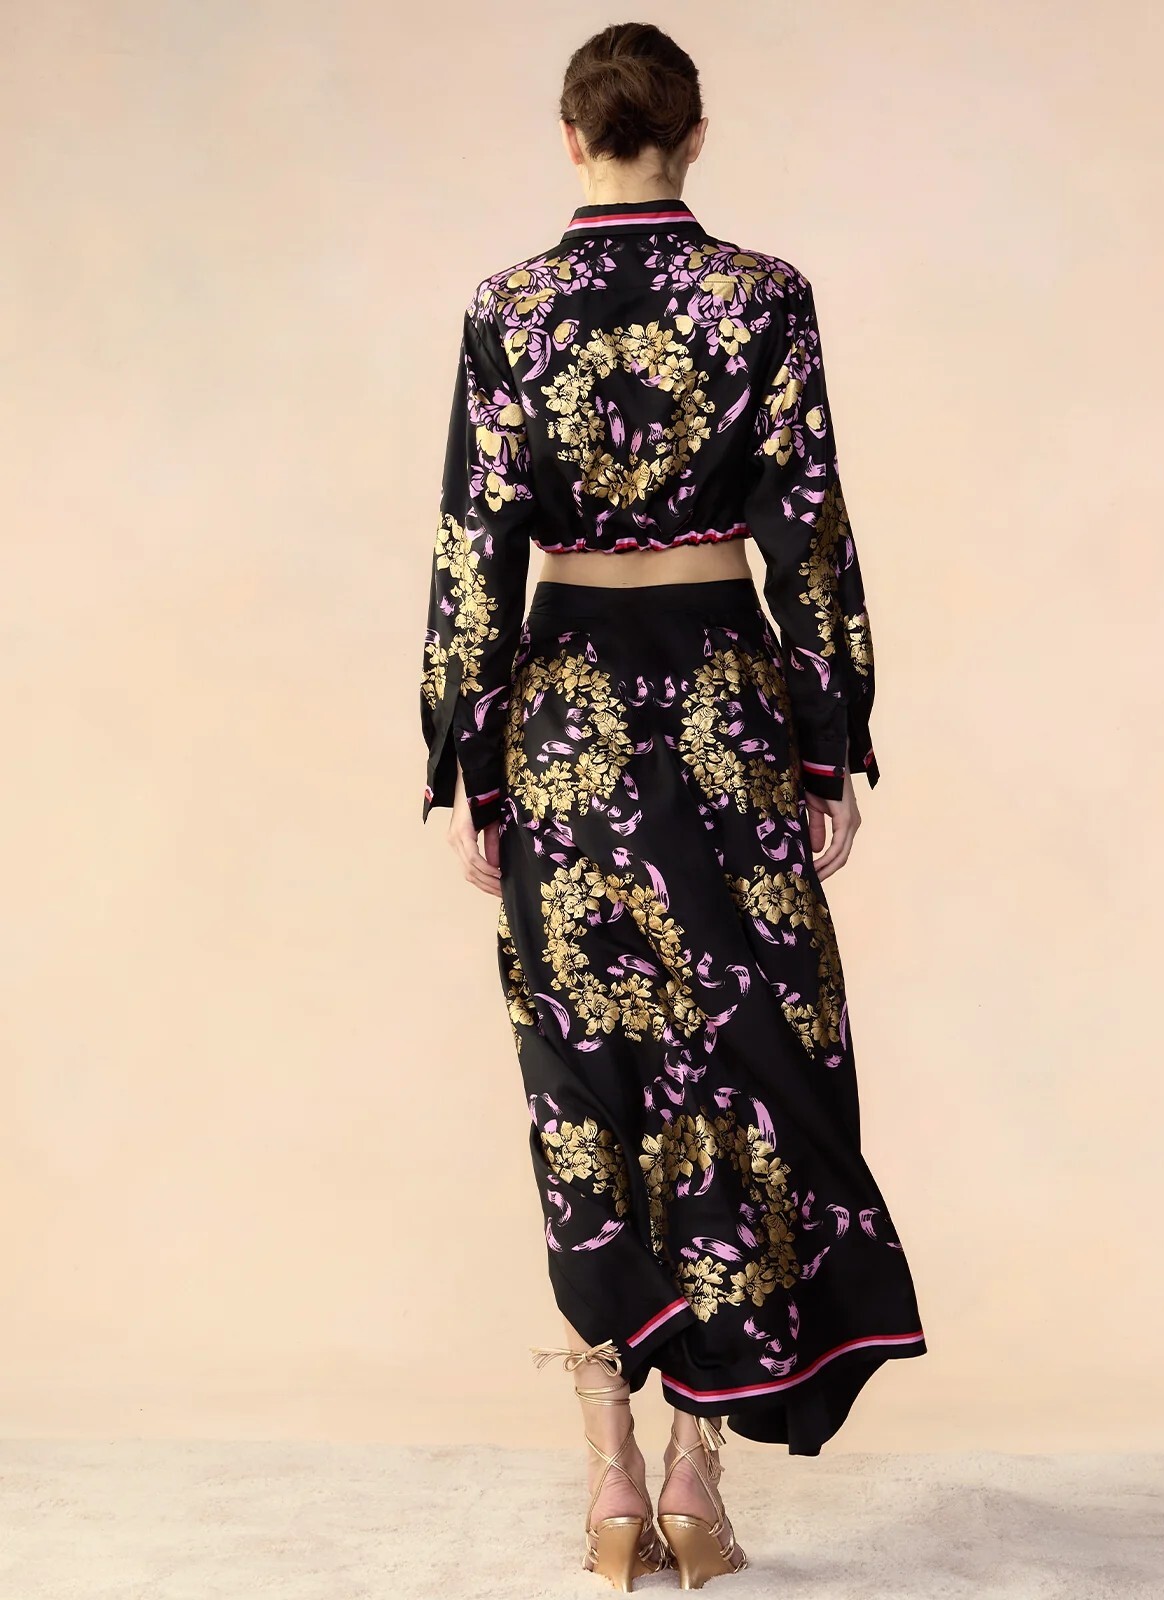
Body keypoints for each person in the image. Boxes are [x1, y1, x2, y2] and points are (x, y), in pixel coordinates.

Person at [420, 21, 928, 1591]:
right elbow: (809, 530)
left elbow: (471, 549)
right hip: (721, 715)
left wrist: (469, 758)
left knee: (583, 1076)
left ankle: (610, 1480)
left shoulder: (507, 307)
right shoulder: (762, 296)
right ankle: (699, 1478)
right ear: (692, 136)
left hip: (565, 720)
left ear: (571, 139)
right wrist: (826, 739)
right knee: (745, 1064)